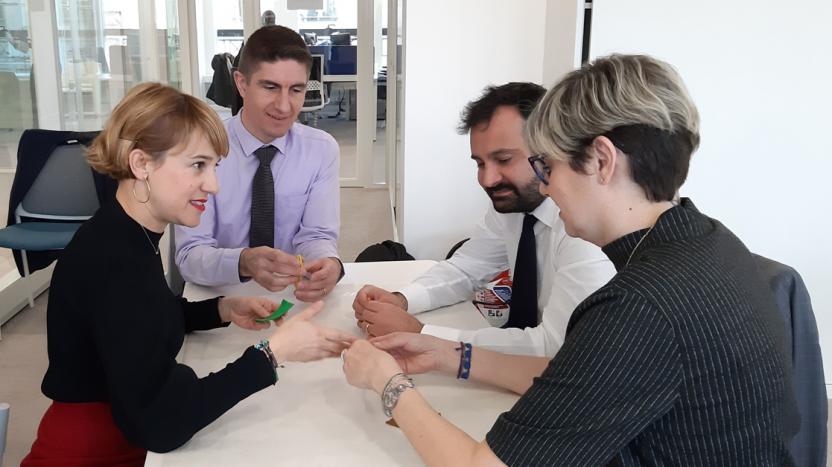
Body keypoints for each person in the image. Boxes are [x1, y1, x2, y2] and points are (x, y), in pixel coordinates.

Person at [342, 54, 798, 466]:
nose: (545, 187)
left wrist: (389, 386)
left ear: (601, 159)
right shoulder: (707, 238)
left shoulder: (638, 305)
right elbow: (571, 375)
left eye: (548, 168)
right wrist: (447, 354)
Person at [23, 83, 354, 466]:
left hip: (111, 435)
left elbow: (141, 321)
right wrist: (272, 354)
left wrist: (222, 309)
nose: (213, 185)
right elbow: (162, 424)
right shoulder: (116, 259)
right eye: (198, 165)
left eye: (214, 167)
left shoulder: (126, 233)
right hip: (92, 453)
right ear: (141, 164)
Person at [352, 82, 613, 357]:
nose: (488, 179)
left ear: (550, 151)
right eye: (480, 163)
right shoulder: (514, 205)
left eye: (504, 159)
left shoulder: (585, 229)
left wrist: (422, 334)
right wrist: (401, 299)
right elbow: (466, 268)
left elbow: (556, 348)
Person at [175, 26, 343, 303]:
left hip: (291, 298)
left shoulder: (321, 150)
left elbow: (316, 235)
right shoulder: (200, 148)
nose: (284, 106)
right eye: (270, 87)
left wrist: (329, 263)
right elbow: (189, 255)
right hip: (220, 299)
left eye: (296, 90)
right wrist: (243, 262)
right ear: (241, 84)